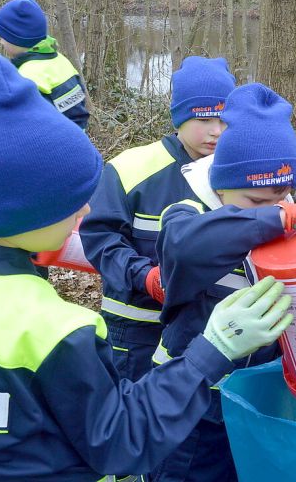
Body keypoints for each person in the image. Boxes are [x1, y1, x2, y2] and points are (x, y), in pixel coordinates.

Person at [0, 55, 294, 481]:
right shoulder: (56, 330)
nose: (83, 209)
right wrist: (214, 349)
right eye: (71, 200)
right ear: (27, 210)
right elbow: (122, 442)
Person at [149, 82, 296, 482]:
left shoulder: (295, 217)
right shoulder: (185, 215)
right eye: (254, 201)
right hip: (191, 405)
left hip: (261, 404)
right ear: (219, 185)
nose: (271, 207)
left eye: (282, 196)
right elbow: (184, 248)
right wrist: (284, 219)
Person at [79, 56, 237, 382]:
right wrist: (145, 277)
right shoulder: (130, 169)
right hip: (136, 333)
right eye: (204, 119)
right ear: (179, 117)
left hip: (209, 335)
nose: (216, 131)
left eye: (224, 119)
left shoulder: (240, 175)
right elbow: (100, 240)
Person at [0, 0, 90, 129]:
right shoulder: (61, 61)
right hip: (78, 138)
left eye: (3, 36)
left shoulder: (27, 76)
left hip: (53, 145)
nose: (1, 41)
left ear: (17, 39)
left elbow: (27, 126)